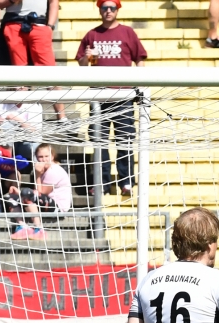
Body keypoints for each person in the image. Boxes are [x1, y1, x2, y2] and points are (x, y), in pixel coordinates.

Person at [76, 0, 146, 198]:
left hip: (123, 95)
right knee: (99, 141)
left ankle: (126, 181)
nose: (108, 11)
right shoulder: (92, 34)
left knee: (125, 140)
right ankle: (102, 182)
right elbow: (82, 64)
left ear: (117, 10)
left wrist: (140, 84)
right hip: (98, 96)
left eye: (112, 8)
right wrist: (86, 57)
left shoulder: (127, 33)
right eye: (104, 8)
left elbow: (139, 58)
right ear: (99, 10)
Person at [0, 0, 65, 120]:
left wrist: (50, 27)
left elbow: (54, 2)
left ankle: (62, 117)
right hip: (14, 24)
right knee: (19, 75)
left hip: (39, 25)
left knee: (50, 73)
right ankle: (19, 116)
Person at [6, 143, 70, 240]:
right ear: (36, 157)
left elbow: (41, 192)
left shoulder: (54, 171)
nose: (43, 159)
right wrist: (18, 193)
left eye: (46, 156)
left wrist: (37, 174)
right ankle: (22, 226)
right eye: (40, 157)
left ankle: (39, 229)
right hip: (43, 202)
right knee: (9, 197)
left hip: (58, 207)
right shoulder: (43, 169)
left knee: (27, 194)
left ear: (52, 156)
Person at [0, 146, 29, 213]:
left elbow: (10, 164)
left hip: (2, 180)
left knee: (16, 174)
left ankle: (14, 203)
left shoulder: (4, 152)